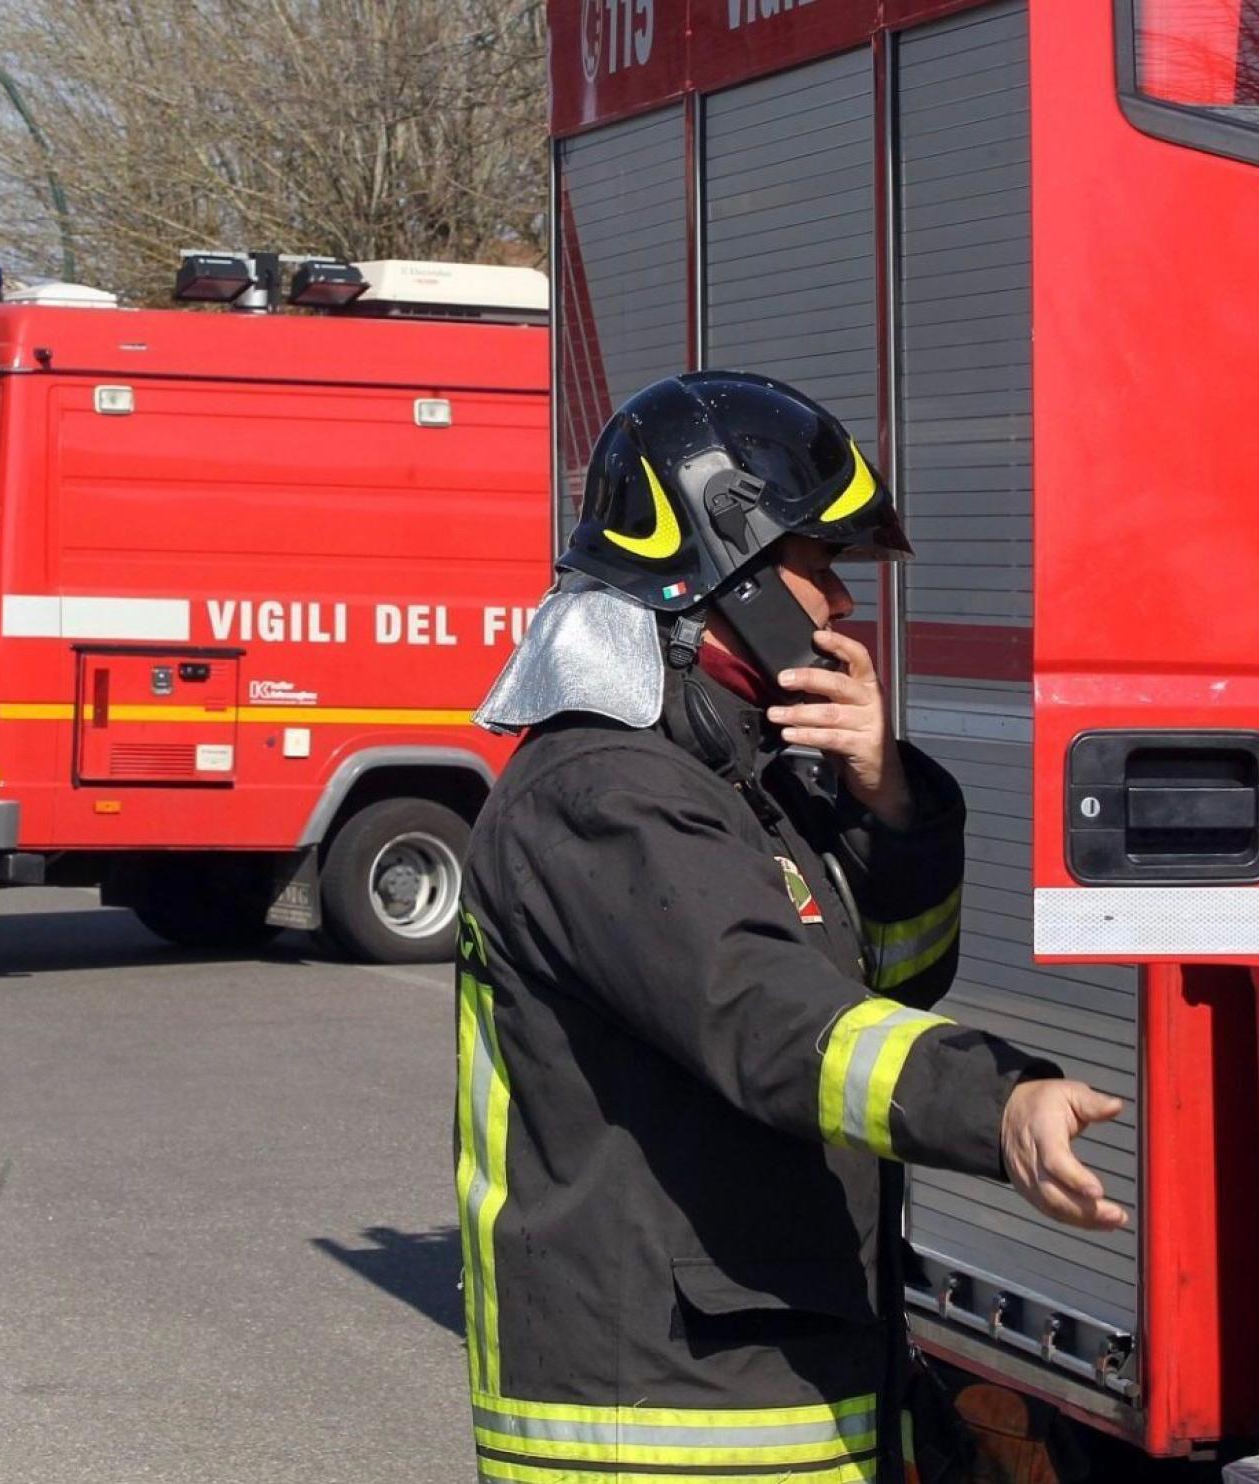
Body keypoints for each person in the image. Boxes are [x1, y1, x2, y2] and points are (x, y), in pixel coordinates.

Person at [456, 371, 1125, 1484]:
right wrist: (995, 1100)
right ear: (736, 571)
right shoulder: (604, 792)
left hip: (760, 1375)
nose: (843, 606)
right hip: (664, 1424)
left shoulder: (735, 777)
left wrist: (885, 796)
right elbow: (769, 1017)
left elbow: (897, 975)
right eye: (820, 566)